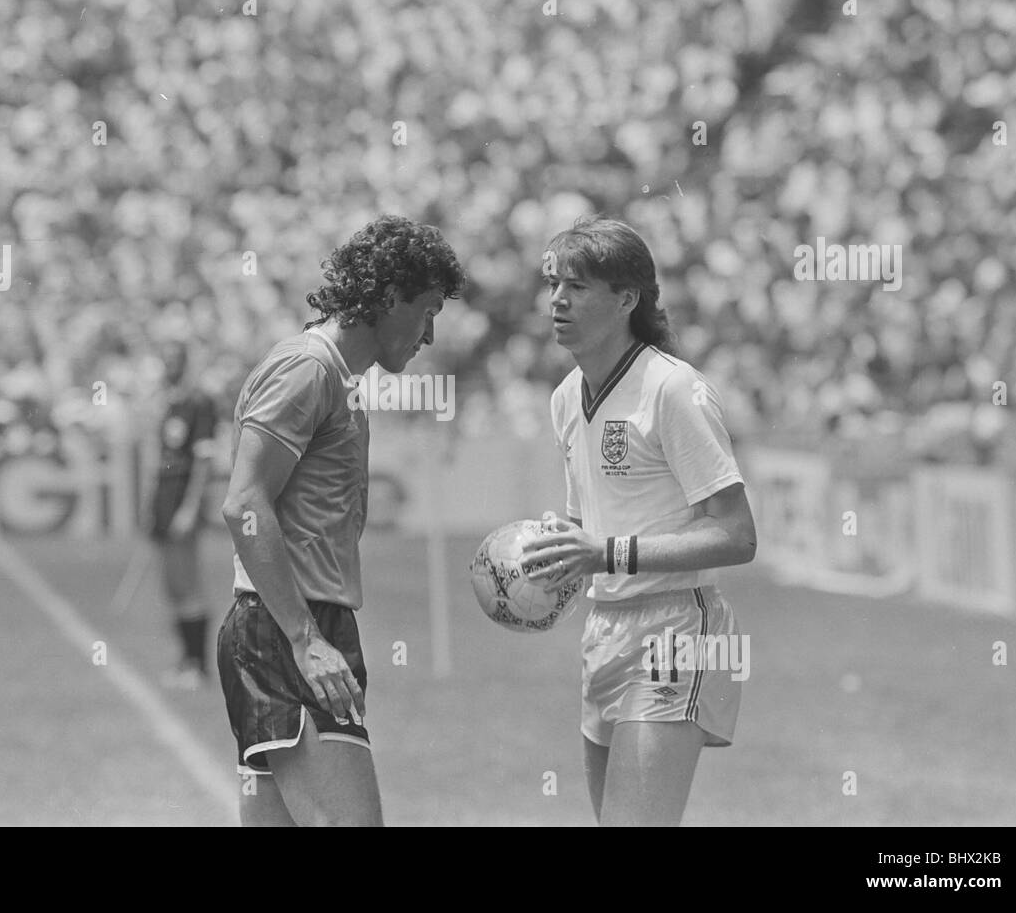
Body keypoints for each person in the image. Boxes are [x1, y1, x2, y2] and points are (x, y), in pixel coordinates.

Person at [218, 215, 465, 826]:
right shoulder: (310, 370)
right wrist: (306, 641)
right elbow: (245, 505)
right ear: (387, 298)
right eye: (427, 310)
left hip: (288, 626)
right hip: (287, 630)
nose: (430, 334)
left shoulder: (336, 377)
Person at [520, 216, 757, 827]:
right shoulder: (566, 397)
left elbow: (736, 535)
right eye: (554, 284)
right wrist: (546, 564)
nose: (558, 300)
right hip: (605, 630)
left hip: (678, 627)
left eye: (578, 286)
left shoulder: (673, 390)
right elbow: (586, 533)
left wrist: (605, 553)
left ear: (627, 299)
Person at [146, 345, 218, 689]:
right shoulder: (169, 404)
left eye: (174, 361)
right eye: (165, 361)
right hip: (164, 502)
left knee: (188, 584)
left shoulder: (199, 403)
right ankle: (184, 660)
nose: (168, 367)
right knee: (172, 587)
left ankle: (198, 665)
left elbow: (203, 462)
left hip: (180, 503)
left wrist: (189, 508)